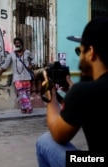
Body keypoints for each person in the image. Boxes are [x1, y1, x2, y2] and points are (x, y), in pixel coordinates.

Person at [36, 17, 108, 167]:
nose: (80, 56)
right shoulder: (84, 92)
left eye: (80, 50)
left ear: (91, 52)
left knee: (45, 142)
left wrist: (50, 95)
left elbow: (58, 134)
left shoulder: (84, 93)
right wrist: (73, 95)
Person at [0, 37, 34, 114]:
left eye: (19, 43)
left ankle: (23, 108)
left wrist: (32, 64)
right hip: (17, 77)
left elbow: (34, 59)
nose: (17, 44)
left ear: (22, 44)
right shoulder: (11, 54)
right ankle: (29, 107)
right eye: (16, 43)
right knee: (21, 93)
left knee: (27, 93)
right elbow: (6, 64)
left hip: (27, 76)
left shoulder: (27, 52)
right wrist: (0, 71)